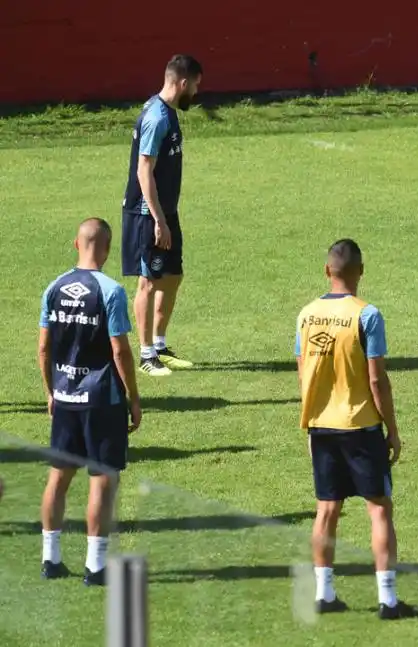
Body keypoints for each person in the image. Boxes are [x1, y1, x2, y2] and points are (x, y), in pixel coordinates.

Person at [294, 239, 416, 619]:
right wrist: (392, 429)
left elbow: (302, 372)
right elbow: (377, 380)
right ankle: (388, 601)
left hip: (321, 425)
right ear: (360, 271)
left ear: (327, 271)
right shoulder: (368, 315)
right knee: (379, 511)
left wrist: (312, 418)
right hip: (360, 426)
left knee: (326, 510)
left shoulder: (306, 315)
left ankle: (324, 594)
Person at [38, 218, 141, 586]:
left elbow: (44, 347)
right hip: (102, 400)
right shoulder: (110, 291)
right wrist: (133, 397)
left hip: (65, 398)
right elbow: (120, 350)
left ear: (75, 244)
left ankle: (50, 559)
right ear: (108, 248)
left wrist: (51, 392)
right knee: (101, 481)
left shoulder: (53, 288)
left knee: (58, 479)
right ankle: (95, 567)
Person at [121, 54, 203, 376]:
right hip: (147, 213)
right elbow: (144, 171)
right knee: (149, 281)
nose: (196, 92)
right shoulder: (157, 117)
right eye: (195, 85)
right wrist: (157, 219)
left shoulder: (165, 111)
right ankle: (145, 355)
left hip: (165, 211)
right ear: (183, 82)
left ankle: (159, 344)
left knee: (173, 275)